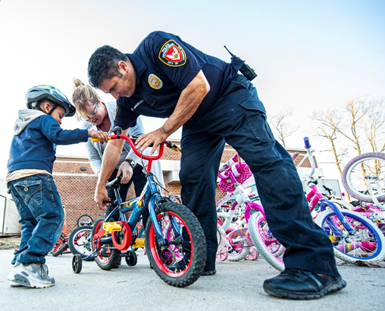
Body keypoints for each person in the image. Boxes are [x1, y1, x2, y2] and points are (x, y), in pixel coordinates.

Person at [87, 31, 346, 299]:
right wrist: (100, 186)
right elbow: (115, 143)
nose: (116, 95)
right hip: (198, 121)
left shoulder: (155, 46)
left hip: (228, 96)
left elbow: (198, 86)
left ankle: (314, 267)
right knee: (193, 177)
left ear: (123, 66)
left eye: (114, 87)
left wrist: (163, 131)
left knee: (267, 164)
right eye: (110, 93)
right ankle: (201, 259)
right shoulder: (127, 101)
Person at [6, 85, 109, 288]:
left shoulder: (23, 126)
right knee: (53, 216)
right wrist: (89, 134)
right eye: (60, 115)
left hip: (15, 180)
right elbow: (58, 136)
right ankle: (31, 262)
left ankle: (20, 265)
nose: (60, 121)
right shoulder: (42, 119)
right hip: (36, 177)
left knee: (30, 222)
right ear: (46, 106)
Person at [71, 79, 164, 223]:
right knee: (112, 207)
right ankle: (113, 242)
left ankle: (150, 239)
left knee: (146, 202)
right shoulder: (87, 128)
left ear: (99, 102)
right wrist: (102, 176)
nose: (91, 119)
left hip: (137, 159)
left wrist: (129, 162)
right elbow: (94, 157)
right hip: (112, 167)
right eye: (87, 117)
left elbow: (139, 139)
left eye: (93, 113)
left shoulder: (121, 108)